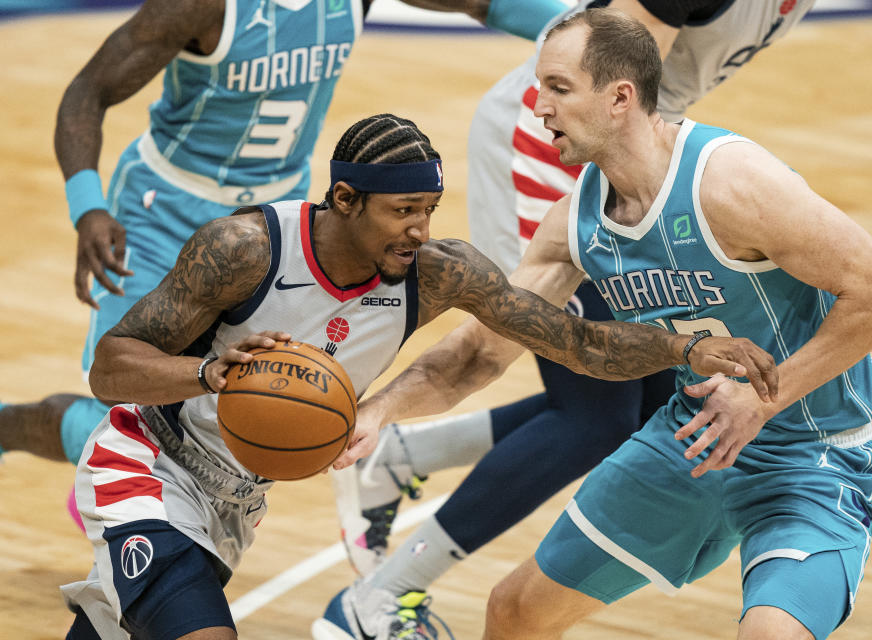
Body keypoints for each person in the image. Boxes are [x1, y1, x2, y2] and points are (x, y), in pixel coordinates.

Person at [319, 10, 872, 640]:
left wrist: (760, 401)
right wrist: (378, 410)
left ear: (619, 99)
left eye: (557, 88)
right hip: (690, 444)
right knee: (514, 612)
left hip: (814, 457)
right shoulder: (574, 225)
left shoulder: (731, 183)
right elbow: (479, 354)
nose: (538, 104)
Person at [61, 113, 776, 640]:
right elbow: (111, 369)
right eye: (402, 211)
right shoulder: (245, 249)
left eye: (428, 209)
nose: (420, 231)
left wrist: (683, 350)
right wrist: (210, 373)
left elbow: (574, 340)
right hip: (148, 467)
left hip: (238, 499)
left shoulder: (436, 274)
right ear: (344, 200)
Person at [0, 0, 570, 467]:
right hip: (165, 208)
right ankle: (13, 429)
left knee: (257, 394)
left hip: (275, 223)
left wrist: (575, 30)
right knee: (127, 401)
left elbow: (483, 3)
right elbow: (87, 91)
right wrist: (88, 208)